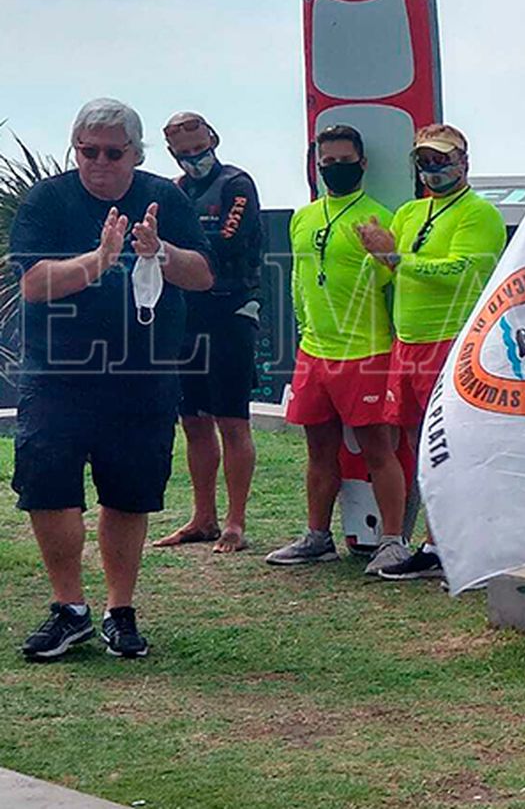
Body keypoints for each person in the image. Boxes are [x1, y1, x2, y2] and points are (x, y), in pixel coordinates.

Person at [12, 98, 214, 660]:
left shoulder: (165, 198)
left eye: (112, 152)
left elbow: (204, 274)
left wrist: (162, 252)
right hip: (58, 375)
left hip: (141, 373)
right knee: (48, 487)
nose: (98, 162)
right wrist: (99, 261)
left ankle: (119, 609)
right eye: (87, 151)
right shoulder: (49, 200)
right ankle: (69, 606)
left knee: (129, 493)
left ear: (135, 153)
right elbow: (33, 282)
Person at [352, 124, 507, 582]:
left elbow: (461, 271)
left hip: (454, 341)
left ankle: (456, 543)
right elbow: (386, 274)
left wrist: (395, 259)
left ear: (464, 162)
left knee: (457, 444)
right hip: (409, 342)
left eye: (443, 159)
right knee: (421, 446)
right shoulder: (409, 211)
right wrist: (372, 255)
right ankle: (438, 541)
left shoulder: (479, 214)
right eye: (425, 160)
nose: (434, 169)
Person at [266, 124, 408, 574]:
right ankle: (317, 536)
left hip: (365, 350)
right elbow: (297, 280)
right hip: (315, 350)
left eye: (345, 162)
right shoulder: (303, 217)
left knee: (377, 449)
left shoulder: (378, 216)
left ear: (362, 164)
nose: (335, 170)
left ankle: (392, 540)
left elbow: (391, 281)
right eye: (327, 163)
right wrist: (303, 330)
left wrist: (382, 255)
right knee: (318, 449)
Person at [153, 112, 263, 554]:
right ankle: (203, 518)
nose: (196, 159)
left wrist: (176, 253)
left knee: (232, 421)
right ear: (172, 154)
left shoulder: (237, 183)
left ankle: (235, 522)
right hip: (185, 314)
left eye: (201, 149)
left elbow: (227, 242)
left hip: (230, 311)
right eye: (185, 153)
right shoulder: (173, 191)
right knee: (193, 421)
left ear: (214, 139)